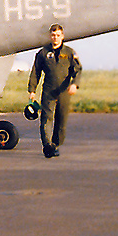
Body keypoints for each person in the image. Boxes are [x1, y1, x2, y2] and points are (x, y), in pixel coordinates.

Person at [27, 23, 82, 159]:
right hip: (49, 90)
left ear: (62, 36)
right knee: (46, 118)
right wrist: (32, 89)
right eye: (53, 35)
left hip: (64, 90)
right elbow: (36, 72)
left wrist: (75, 84)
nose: (55, 38)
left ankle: (56, 144)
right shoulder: (43, 53)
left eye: (58, 35)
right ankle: (47, 145)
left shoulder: (69, 53)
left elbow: (77, 70)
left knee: (61, 120)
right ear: (50, 36)